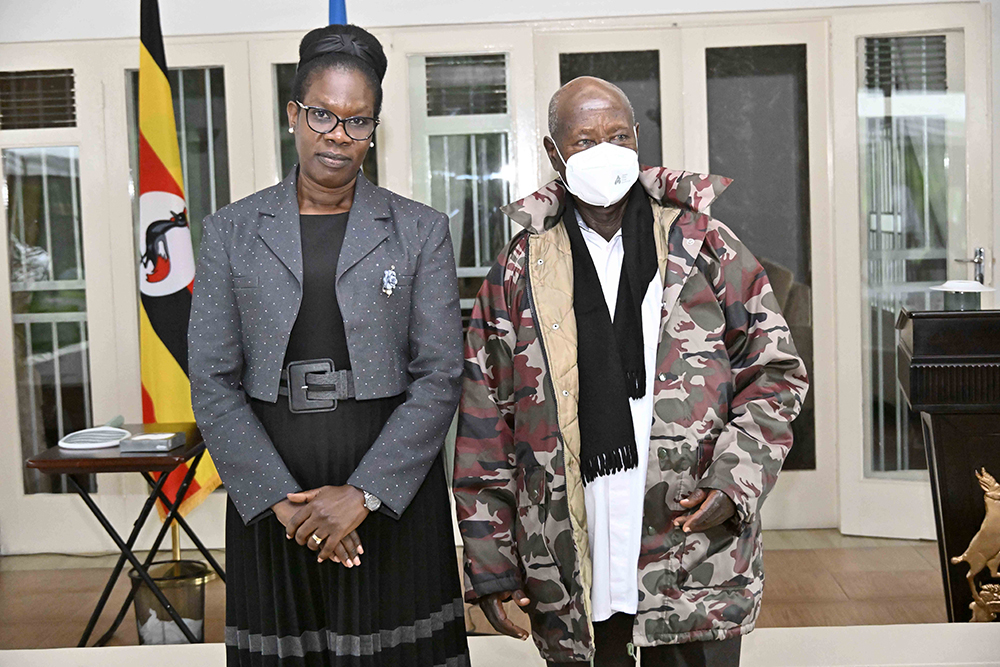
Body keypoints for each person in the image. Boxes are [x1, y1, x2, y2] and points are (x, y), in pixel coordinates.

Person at [453, 76, 809, 667]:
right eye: (585, 140)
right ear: (554, 153)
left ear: (638, 139)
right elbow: (484, 418)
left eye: (619, 136)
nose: (606, 152)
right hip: (571, 563)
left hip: (693, 557)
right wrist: (491, 564)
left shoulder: (704, 244)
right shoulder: (520, 268)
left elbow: (775, 373)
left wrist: (734, 481)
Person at [189, 23, 469, 667]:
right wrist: (277, 500)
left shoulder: (419, 229)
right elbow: (211, 377)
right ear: (294, 115)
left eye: (357, 120)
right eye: (322, 114)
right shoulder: (231, 230)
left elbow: (439, 374)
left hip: (390, 484)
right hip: (274, 484)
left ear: (373, 129)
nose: (338, 134)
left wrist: (363, 494)